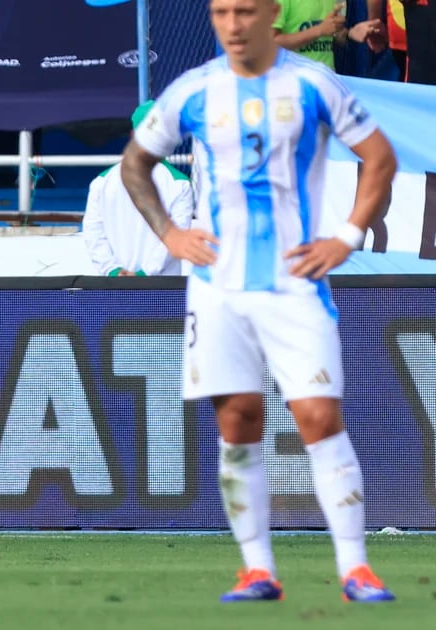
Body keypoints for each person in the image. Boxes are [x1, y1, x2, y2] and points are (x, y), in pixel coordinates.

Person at [121, 0, 397, 603]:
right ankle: (257, 570)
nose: (234, 23)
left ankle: (355, 568)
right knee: (237, 420)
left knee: (319, 419)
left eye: (245, 11)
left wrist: (347, 237)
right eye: (222, 12)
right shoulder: (192, 91)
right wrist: (170, 234)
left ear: (271, 13)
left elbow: (380, 157)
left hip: (295, 280)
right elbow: (135, 164)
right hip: (218, 286)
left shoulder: (312, 86)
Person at [82, 101, 194, 277]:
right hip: (163, 291)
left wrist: (113, 271)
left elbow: (92, 233)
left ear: (133, 134)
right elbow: (176, 237)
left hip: (115, 288)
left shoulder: (102, 182)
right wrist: (143, 275)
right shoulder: (179, 184)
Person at [273, 0, 385, 69]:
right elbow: (269, 43)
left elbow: (331, 32)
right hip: (293, 86)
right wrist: (319, 30)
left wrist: (351, 33)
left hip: (326, 83)